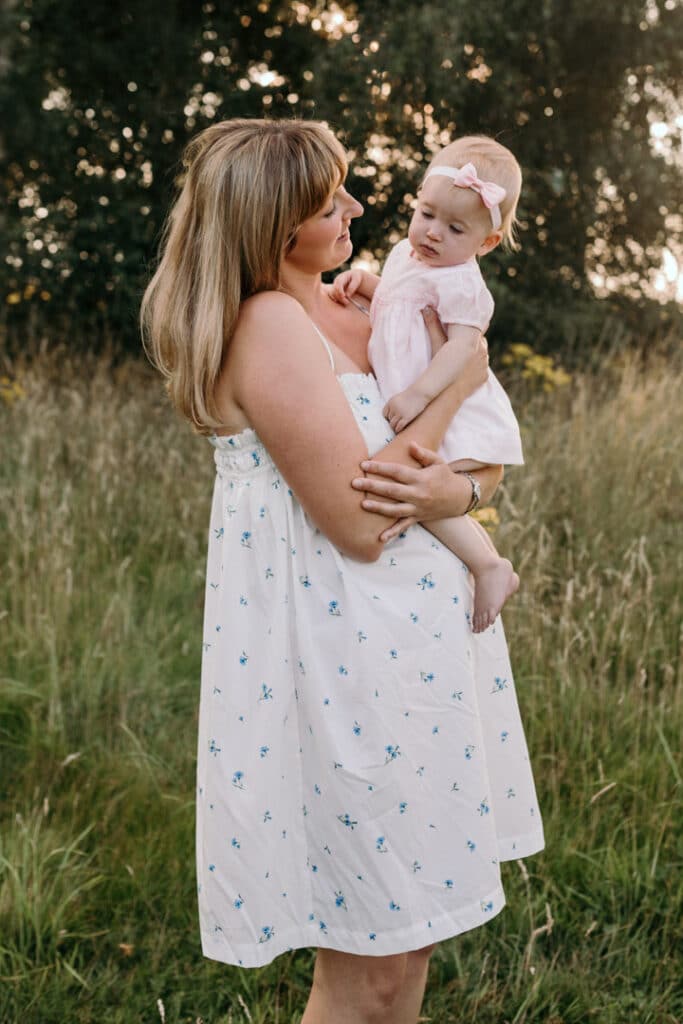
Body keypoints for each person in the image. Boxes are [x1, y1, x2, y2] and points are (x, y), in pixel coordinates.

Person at [141, 118, 544, 1024]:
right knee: (367, 969)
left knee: (409, 951)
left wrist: (456, 475)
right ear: (278, 229)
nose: (358, 208)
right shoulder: (267, 325)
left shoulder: (357, 298)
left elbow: (477, 480)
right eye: (332, 203)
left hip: (417, 653)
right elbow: (365, 524)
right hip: (345, 669)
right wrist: (456, 387)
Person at [332, 136, 523, 634]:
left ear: (486, 243)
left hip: (442, 401)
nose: (433, 233)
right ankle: (475, 566)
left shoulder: (463, 283)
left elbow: (462, 350)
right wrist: (368, 284)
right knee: (415, 488)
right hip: (412, 398)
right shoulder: (405, 254)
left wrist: (420, 394)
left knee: (420, 489)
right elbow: (400, 302)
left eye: (455, 227)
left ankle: (488, 564)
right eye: (427, 214)